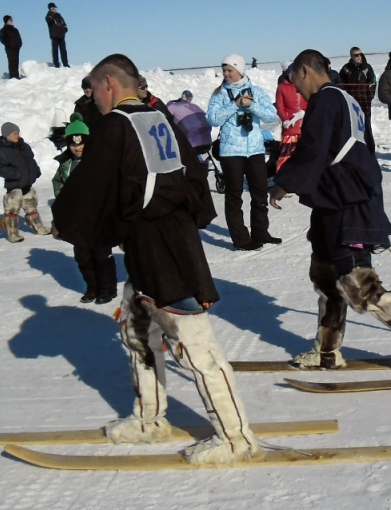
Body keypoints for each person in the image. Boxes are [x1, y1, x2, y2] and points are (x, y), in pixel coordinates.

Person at [51, 53, 259, 465]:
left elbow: (90, 184)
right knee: (137, 328)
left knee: (197, 345)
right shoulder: (159, 116)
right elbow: (193, 174)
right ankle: (149, 419)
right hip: (162, 242)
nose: (93, 100)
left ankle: (237, 439)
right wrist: (193, 217)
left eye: (94, 91)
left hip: (160, 250)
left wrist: (66, 222)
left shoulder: (115, 126)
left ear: (108, 84)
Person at [270, 49, 391, 380]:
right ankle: (327, 352)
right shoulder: (346, 99)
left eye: (294, 81)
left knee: (359, 284)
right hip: (335, 200)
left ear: (304, 72)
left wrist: (283, 183)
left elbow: (312, 152)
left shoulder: (326, 101)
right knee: (327, 279)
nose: (295, 89)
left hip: (347, 202)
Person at [207, 54, 280, 251]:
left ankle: (260, 232)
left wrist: (252, 105)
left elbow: (272, 115)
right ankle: (241, 239)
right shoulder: (220, 94)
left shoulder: (255, 91)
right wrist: (235, 105)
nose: (226, 74)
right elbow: (213, 119)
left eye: (229, 70)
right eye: (224, 70)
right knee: (234, 196)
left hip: (255, 150)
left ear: (240, 70)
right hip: (231, 152)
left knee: (259, 194)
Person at [52, 115, 117, 304]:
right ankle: (92, 287)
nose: (77, 148)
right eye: (73, 145)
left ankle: (107, 289)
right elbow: (58, 183)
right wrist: (63, 199)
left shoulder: (99, 161)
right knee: (83, 256)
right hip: (76, 219)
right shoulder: (66, 165)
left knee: (101, 255)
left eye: (81, 144)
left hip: (98, 217)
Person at [0, 122, 51, 242]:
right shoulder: (3, 151)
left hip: (27, 184)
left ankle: (38, 227)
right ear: (6, 135)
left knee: (31, 207)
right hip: (14, 186)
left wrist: (36, 171)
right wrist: (14, 174)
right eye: (14, 133)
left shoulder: (24, 146)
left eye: (18, 133)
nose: (17, 135)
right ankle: (13, 233)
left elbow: (31, 160)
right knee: (12, 210)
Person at [275, 62, 307, 171]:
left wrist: (304, 112)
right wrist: (285, 119)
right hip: (290, 129)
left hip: (305, 127)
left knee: (305, 156)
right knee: (286, 155)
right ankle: (283, 178)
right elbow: (280, 107)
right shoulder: (282, 87)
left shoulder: (304, 86)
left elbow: (310, 102)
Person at [338, 47, 376, 122]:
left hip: (365, 100)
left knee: (366, 122)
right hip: (351, 100)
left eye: (360, 54)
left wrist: (369, 96)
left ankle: (367, 134)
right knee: (353, 121)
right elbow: (340, 83)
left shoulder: (367, 67)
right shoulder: (346, 68)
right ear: (351, 56)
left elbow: (373, 82)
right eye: (356, 55)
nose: (359, 57)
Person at [45, 3, 69, 68]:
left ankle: (65, 63)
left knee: (63, 50)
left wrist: (64, 30)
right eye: (52, 8)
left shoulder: (59, 16)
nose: (54, 9)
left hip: (61, 36)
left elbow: (64, 24)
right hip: (54, 36)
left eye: (55, 8)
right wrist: (52, 14)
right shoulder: (48, 16)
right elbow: (49, 21)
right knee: (55, 51)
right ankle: (56, 64)